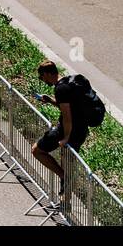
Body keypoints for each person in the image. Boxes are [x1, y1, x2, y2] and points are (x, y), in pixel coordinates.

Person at [32, 60, 103, 191]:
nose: (42, 80)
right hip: (81, 129)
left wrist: (66, 137)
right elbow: (71, 107)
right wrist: (50, 100)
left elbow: (67, 117)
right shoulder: (70, 81)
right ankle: (66, 196)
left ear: (47, 74)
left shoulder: (60, 89)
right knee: (68, 164)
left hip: (70, 131)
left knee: (36, 151)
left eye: (41, 76)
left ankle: (64, 179)